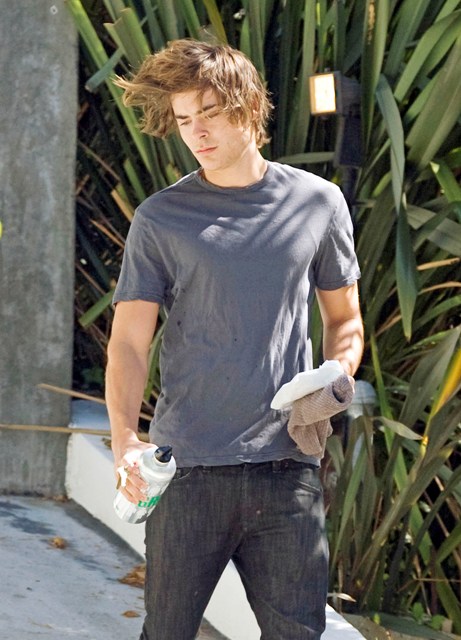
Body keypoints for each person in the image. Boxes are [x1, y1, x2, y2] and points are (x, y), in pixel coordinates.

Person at [106, 38, 364, 640]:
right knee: (167, 632)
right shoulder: (161, 218)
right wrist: (123, 441)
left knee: (299, 635)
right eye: (184, 120)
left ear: (248, 107)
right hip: (186, 469)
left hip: (287, 466)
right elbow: (129, 342)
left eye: (209, 113)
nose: (196, 132)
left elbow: (344, 321)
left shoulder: (318, 203)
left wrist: (336, 380)